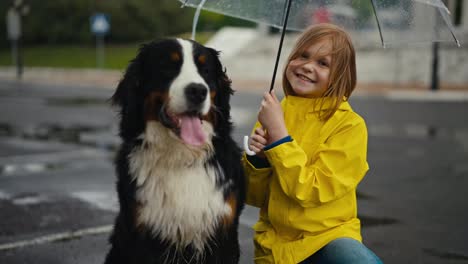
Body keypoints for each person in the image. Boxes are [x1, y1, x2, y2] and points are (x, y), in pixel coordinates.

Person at [243, 23, 383, 264]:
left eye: (323, 63)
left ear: (340, 77)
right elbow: (253, 197)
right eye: (303, 56)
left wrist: (279, 139)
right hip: (275, 246)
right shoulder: (276, 112)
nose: (307, 66)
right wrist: (258, 161)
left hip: (328, 240)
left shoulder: (349, 126)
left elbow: (311, 191)